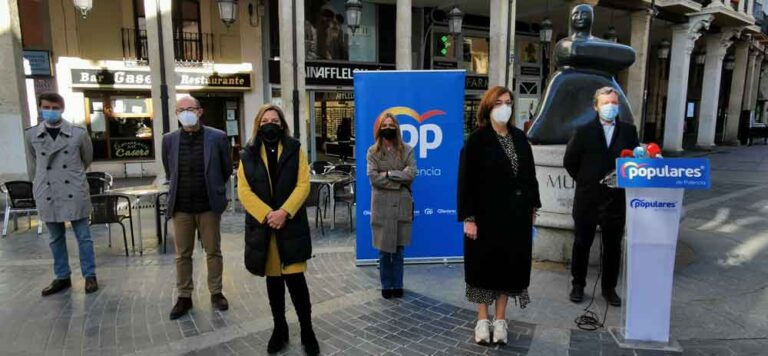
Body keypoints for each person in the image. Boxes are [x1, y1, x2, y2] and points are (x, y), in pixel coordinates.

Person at [458, 86, 541, 345]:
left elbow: (530, 176)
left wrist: (533, 207)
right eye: (499, 103)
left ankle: (501, 320)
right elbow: (466, 182)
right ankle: (483, 320)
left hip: (516, 218)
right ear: (488, 107)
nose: (504, 107)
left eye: (508, 102)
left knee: (509, 268)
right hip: (485, 218)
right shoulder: (476, 140)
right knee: (484, 268)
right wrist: (469, 218)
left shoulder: (520, 138)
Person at [237, 104, 319, 356]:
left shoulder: (295, 150)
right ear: (258, 125)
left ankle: (307, 330)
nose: (269, 124)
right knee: (274, 283)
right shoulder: (248, 154)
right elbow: (244, 191)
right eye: (265, 121)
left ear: (282, 124)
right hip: (265, 229)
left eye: (274, 120)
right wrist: (267, 215)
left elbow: (303, 184)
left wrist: (284, 212)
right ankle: (279, 328)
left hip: (290, 225)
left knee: (296, 282)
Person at [563, 86, 640, 307]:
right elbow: (570, 161)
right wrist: (586, 180)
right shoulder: (583, 130)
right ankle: (578, 285)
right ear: (596, 106)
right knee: (581, 243)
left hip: (615, 199)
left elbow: (635, 161)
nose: (610, 107)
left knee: (613, 246)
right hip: (588, 198)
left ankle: (609, 288)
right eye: (606, 103)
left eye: (614, 103)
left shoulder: (629, 131)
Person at [162, 96, 233, 320]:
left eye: (190, 109)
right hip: (181, 207)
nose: (185, 113)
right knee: (182, 254)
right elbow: (170, 171)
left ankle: (216, 292)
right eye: (180, 110)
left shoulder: (217, 137)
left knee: (213, 251)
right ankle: (184, 296)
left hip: (208, 206)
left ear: (200, 112)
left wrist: (217, 191)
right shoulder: (169, 140)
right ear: (176, 114)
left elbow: (226, 169)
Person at [25, 92, 98, 296]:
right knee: (55, 238)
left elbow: (86, 159)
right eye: (46, 107)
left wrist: (73, 176)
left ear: (62, 109)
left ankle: (90, 275)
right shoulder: (31, 135)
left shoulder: (78, 133)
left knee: (84, 237)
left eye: (55, 108)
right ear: (40, 108)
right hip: (47, 191)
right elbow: (34, 163)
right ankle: (62, 276)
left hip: (73, 189)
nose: (50, 111)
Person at [366, 113, 416, 300]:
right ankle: (386, 285)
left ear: (396, 128)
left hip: (402, 205)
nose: (388, 128)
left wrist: (387, 173)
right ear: (379, 129)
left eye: (391, 125)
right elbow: (373, 178)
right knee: (384, 250)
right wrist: (398, 178)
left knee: (399, 250)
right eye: (384, 125)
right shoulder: (372, 151)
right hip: (382, 207)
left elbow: (411, 174)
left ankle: (398, 284)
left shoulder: (407, 150)